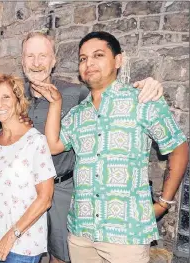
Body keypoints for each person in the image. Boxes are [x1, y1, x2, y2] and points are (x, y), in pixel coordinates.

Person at [35, 31, 189, 263]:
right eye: (83, 58)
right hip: (82, 232)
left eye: (98, 55)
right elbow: (53, 146)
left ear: (118, 60)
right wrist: (56, 103)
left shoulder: (141, 101)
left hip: (126, 235)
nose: (89, 63)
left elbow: (178, 147)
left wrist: (163, 203)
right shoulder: (78, 114)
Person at [0, 74, 55, 263]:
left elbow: (45, 199)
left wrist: (11, 237)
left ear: (18, 100)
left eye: (6, 97)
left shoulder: (35, 141)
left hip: (22, 245)